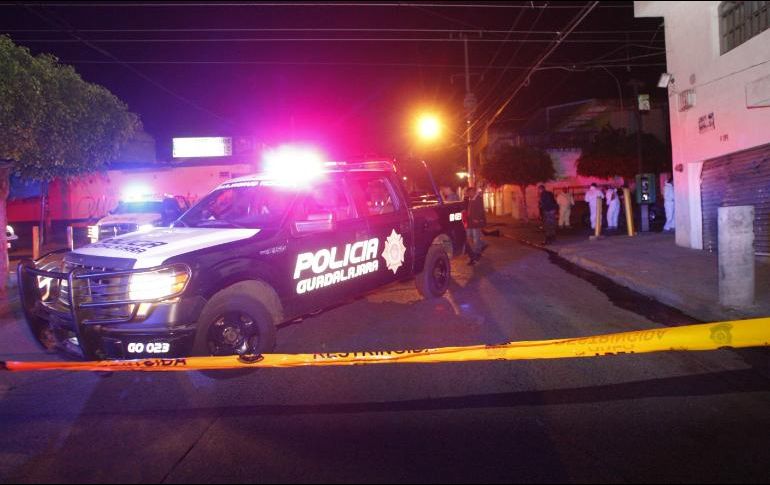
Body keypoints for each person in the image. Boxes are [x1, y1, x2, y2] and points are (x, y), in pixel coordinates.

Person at [465, 186, 487, 264]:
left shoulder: (478, 198)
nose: (468, 194)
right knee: (468, 236)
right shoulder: (470, 199)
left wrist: (477, 218)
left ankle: (477, 253)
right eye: (467, 193)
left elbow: (481, 209)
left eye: (469, 192)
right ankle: (483, 244)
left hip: (475, 222)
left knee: (475, 238)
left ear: (473, 192)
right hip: (470, 222)